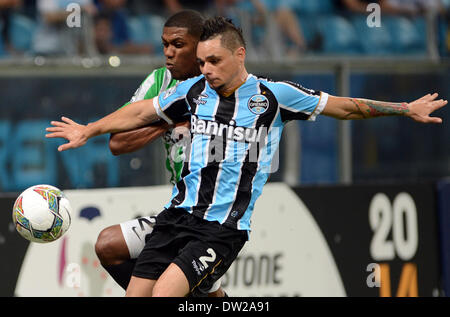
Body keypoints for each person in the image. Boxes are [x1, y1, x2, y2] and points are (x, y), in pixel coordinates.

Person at [46, 16, 447, 297]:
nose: (206, 69)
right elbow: (139, 112)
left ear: (240, 55)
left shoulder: (274, 96)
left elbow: (344, 107)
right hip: (175, 217)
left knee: (166, 293)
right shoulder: (192, 93)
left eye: (214, 61)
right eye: (201, 62)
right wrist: (89, 129)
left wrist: (403, 108)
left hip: (221, 229)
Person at [93, 9, 226, 297]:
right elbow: (117, 143)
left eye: (178, 45)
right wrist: (167, 122)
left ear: (200, 46)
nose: (168, 53)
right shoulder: (160, 82)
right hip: (178, 213)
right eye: (165, 44)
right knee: (108, 245)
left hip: (215, 219)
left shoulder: (222, 86)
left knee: (196, 292)